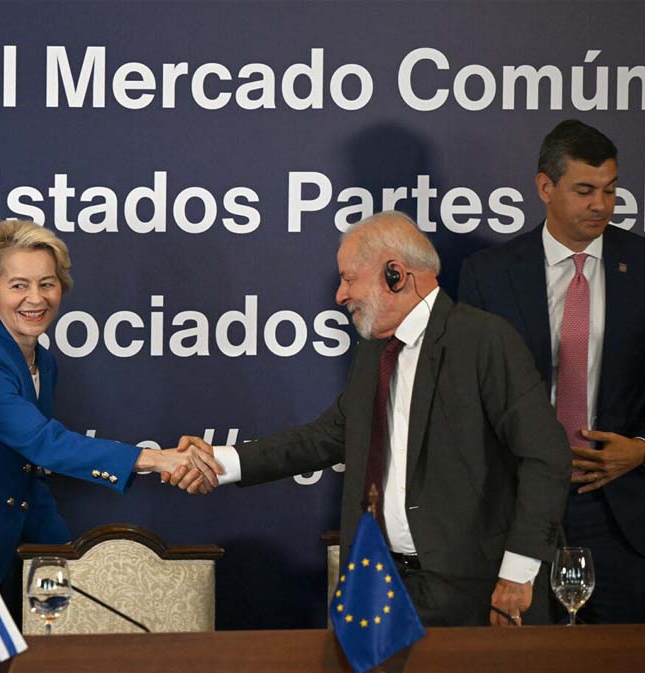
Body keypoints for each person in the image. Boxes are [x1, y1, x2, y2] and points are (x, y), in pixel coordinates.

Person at [172, 211, 570, 627]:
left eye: (348, 278)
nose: (340, 295)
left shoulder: (483, 339)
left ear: (395, 275)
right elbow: (326, 437)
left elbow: (547, 457)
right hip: (382, 587)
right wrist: (219, 463)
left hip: (477, 593)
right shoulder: (373, 353)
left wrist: (518, 573)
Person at [0, 220, 217, 632]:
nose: (36, 298)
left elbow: (27, 476)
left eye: (47, 283)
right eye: (18, 285)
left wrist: (66, 556)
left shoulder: (41, 362)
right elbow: (42, 444)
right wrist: (155, 459)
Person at [459, 120, 645, 623]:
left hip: (621, 510)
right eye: (584, 191)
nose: (601, 205)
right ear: (545, 187)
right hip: (520, 510)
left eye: (609, 190)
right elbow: (467, 396)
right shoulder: (489, 274)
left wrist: (643, 449)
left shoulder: (642, 265)